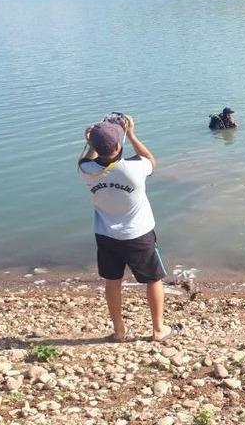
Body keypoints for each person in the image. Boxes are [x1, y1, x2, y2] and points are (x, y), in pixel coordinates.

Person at [78, 114, 178, 342]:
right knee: (153, 280)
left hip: (106, 235)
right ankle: (158, 329)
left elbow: (86, 159)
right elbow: (150, 160)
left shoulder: (86, 170)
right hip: (138, 234)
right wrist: (131, 134)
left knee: (113, 282)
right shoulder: (134, 168)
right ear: (118, 145)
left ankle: (119, 330)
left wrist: (91, 143)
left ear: (94, 146)